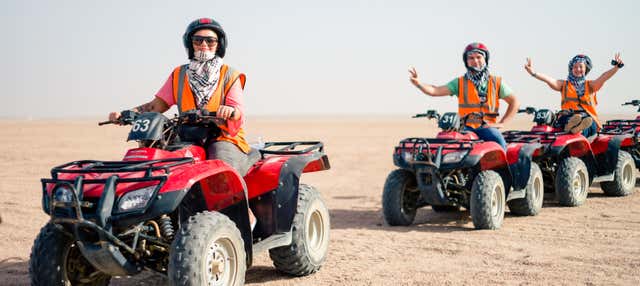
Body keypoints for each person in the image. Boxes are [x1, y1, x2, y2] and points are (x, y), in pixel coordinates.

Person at [108, 18, 255, 227]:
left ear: (219, 44)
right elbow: (156, 106)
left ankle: (242, 219)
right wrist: (127, 114)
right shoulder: (180, 74)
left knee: (223, 169)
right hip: (187, 135)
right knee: (157, 164)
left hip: (222, 135)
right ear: (190, 43)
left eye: (210, 41)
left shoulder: (229, 74)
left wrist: (229, 111)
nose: (204, 45)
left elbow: (238, 110)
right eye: (198, 40)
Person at [409, 42, 519, 150]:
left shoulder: (496, 82)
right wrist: (418, 84)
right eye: (470, 58)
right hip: (465, 128)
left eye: (479, 57)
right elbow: (435, 91)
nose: (475, 61)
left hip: (487, 127)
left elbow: (514, 102)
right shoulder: (459, 82)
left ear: (485, 59)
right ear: (466, 61)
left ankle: (506, 168)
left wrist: (501, 123)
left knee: (499, 142)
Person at [524, 53, 624, 137]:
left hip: (587, 117)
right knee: (565, 119)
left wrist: (616, 68)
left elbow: (604, 77)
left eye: (581, 66)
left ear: (586, 69)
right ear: (571, 69)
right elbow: (548, 79)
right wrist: (533, 73)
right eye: (575, 67)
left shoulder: (591, 85)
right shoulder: (564, 85)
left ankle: (576, 129)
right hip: (568, 116)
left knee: (590, 123)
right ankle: (571, 126)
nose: (578, 69)